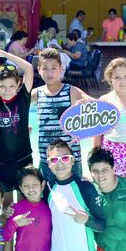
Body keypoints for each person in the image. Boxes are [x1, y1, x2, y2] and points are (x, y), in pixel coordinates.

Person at [45, 139, 105, 251]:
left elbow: (102, 225)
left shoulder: (86, 188)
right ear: (48, 164)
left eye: (65, 158)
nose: (60, 163)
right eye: (54, 160)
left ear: (73, 160)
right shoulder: (47, 188)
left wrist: (87, 220)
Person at [32, 48, 89, 185]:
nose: (49, 73)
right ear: (39, 70)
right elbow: (15, 105)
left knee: (75, 194)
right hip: (47, 159)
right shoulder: (36, 93)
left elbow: (97, 106)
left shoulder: (71, 91)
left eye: (54, 68)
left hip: (70, 158)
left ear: (61, 69)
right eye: (45, 68)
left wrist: (85, 106)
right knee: (49, 194)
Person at [0, 48, 35, 199]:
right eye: (2, 86)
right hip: (2, 163)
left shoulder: (23, 98)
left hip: (23, 159)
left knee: (24, 201)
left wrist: (4, 54)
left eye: (11, 86)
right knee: (6, 204)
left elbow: (29, 68)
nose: (7, 90)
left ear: (19, 84)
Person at [4, 168, 54, 251]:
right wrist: (14, 223)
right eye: (26, 186)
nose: (31, 189)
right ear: (21, 188)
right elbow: (6, 237)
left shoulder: (50, 207)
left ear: (42, 185)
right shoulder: (16, 209)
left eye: (35, 185)